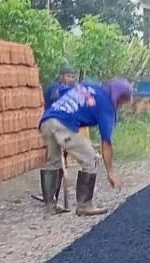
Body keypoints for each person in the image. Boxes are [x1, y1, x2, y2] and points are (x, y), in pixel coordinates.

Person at [39, 78, 131, 216]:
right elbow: (106, 142)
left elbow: (61, 91)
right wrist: (110, 172)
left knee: (53, 162)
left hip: (46, 120)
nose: (121, 105)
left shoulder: (89, 87)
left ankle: (49, 206)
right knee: (90, 159)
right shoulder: (107, 107)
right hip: (63, 124)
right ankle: (84, 205)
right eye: (123, 102)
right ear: (119, 97)